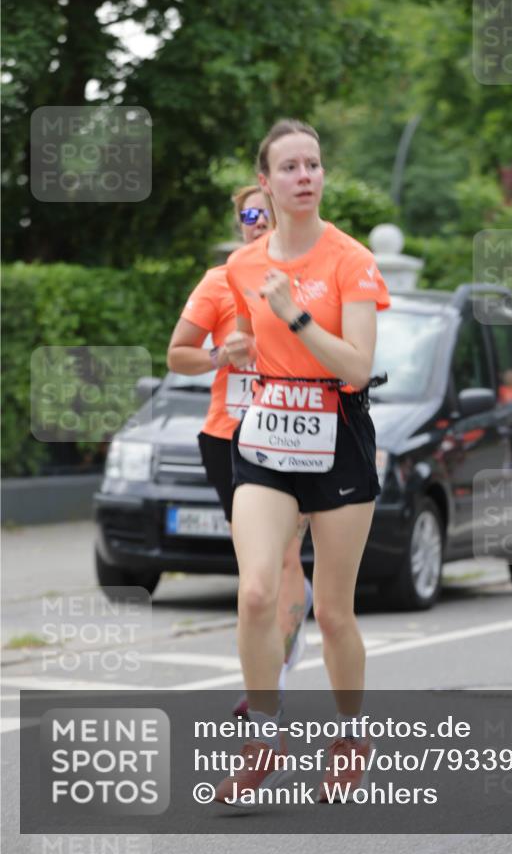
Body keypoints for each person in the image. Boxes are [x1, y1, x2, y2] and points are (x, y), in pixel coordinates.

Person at [214, 118, 390, 804]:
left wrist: (296, 319)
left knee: (336, 613)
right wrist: (236, 349)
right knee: (257, 591)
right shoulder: (242, 264)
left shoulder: (349, 260)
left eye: (312, 165)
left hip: (338, 433)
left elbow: (357, 366)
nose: (305, 177)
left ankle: (349, 740)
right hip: (266, 436)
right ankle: (262, 735)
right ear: (265, 182)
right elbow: (240, 332)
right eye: (289, 168)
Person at [166, 185, 313, 713]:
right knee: (254, 567)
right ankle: (269, 665)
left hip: (290, 434)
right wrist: (216, 357)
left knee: (283, 556)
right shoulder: (218, 281)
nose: (257, 222)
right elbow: (176, 355)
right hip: (226, 436)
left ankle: (269, 683)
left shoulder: (310, 280)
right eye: (248, 214)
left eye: (267, 214)